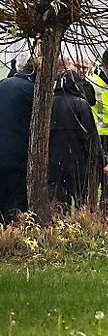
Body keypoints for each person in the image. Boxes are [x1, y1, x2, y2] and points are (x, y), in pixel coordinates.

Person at [48, 69, 108, 211]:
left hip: (53, 163)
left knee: (57, 203)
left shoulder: (48, 104)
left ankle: (58, 229)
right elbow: (92, 138)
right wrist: (103, 161)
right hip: (77, 163)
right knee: (80, 202)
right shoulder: (81, 105)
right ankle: (80, 227)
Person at [0, 53, 34, 224]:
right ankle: (14, 237)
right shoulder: (33, 90)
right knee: (16, 205)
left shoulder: (3, 84)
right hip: (19, 155)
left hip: (2, 152)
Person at [86, 48, 108, 206]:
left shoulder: (96, 76)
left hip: (104, 134)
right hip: (101, 134)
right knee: (103, 180)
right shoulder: (97, 80)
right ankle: (100, 212)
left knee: (96, 180)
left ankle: (96, 212)